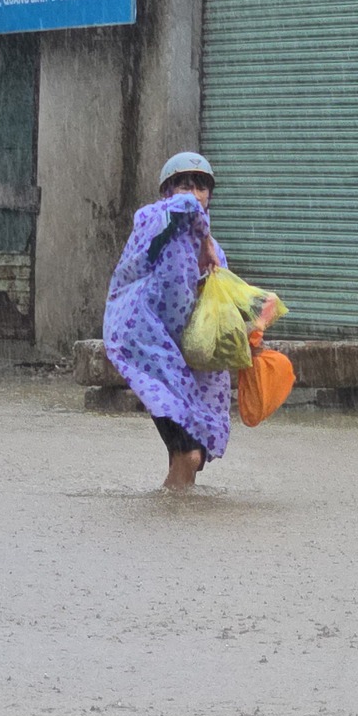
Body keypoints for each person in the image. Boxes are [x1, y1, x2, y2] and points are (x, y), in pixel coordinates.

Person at [102, 152, 277, 491]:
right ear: (166, 192)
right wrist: (206, 239)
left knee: (193, 459)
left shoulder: (215, 257)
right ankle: (175, 514)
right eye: (183, 184)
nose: (193, 193)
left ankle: (174, 516)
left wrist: (254, 331)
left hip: (189, 360)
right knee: (189, 456)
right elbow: (184, 208)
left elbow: (222, 311)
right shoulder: (153, 221)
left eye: (201, 186)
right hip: (149, 348)